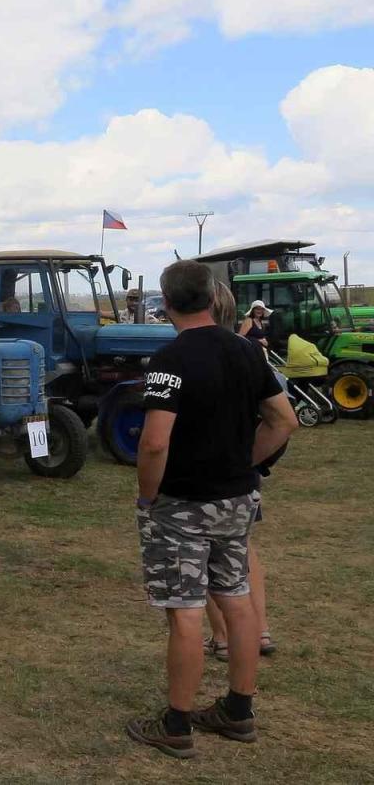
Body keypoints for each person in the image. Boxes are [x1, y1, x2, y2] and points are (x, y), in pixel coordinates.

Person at [127, 260, 297, 759]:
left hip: (182, 503)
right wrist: (243, 462)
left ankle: (177, 724)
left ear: (167, 300)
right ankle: (238, 711)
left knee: (185, 613)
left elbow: (155, 444)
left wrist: (146, 497)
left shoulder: (169, 359)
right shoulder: (247, 351)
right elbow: (283, 420)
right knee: (237, 599)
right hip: (238, 498)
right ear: (211, 296)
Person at [205, 281, 278, 662]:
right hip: (241, 478)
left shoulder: (191, 354)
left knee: (203, 557)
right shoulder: (252, 354)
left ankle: (222, 637)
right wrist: (253, 460)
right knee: (243, 550)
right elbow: (280, 418)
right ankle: (259, 631)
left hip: (204, 479)